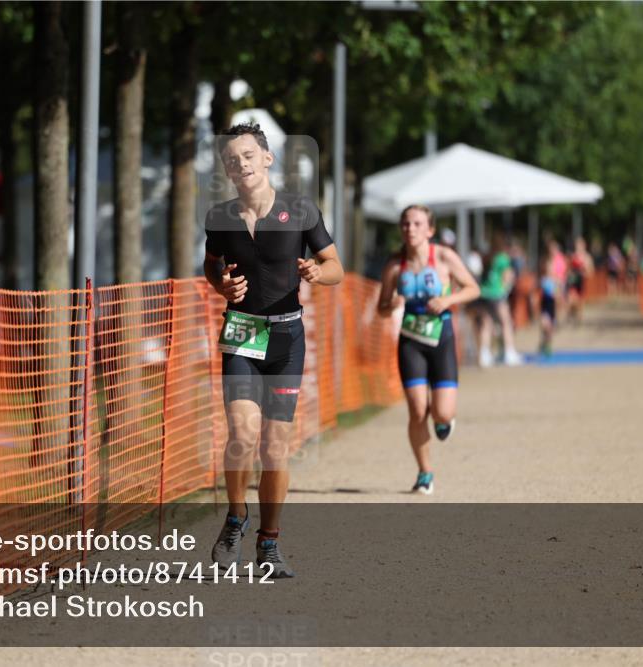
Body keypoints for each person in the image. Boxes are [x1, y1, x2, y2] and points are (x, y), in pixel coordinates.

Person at [204, 122, 344, 578]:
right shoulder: (219, 217)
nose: (239, 164)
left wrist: (316, 275)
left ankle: (269, 542)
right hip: (243, 333)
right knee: (242, 435)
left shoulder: (300, 209)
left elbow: (335, 266)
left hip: (286, 338)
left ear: (266, 159)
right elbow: (211, 266)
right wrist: (221, 284)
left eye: (247, 155)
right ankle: (235, 517)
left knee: (275, 446)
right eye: (231, 159)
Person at [377, 205, 480, 494]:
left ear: (430, 230)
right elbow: (381, 309)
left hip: (442, 338)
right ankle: (425, 472)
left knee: (442, 414)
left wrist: (448, 301)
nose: (410, 229)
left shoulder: (444, 257)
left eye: (417, 224)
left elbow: (473, 288)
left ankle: (443, 420)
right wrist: (392, 305)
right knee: (416, 410)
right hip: (411, 341)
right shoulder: (395, 266)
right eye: (406, 224)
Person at [473, 233, 521, 367]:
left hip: (484, 293)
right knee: (506, 323)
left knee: (486, 324)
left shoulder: (488, 256)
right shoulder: (503, 258)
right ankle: (509, 352)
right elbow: (507, 276)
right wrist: (505, 290)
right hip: (496, 294)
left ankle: (484, 354)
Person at [566, 237, 593, 326]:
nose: (578, 247)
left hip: (581, 281)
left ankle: (578, 317)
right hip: (573, 280)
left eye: (580, 245)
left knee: (579, 302)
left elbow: (590, 271)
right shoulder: (573, 256)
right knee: (571, 299)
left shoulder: (587, 257)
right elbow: (568, 269)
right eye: (577, 245)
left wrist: (584, 270)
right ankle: (572, 313)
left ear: (584, 246)